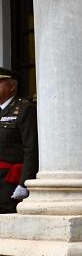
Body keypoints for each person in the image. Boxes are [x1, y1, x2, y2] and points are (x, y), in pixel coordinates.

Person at [0, 67, 38, 214]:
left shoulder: (24, 109)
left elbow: (31, 148)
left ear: (12, 86)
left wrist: (24, 183)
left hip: (9, 181)